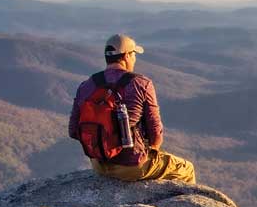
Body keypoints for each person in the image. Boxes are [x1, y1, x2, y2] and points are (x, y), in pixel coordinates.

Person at [68, 34, 196, 183]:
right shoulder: (141, 83)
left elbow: (73, 131)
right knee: (187, 169)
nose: (134, 58)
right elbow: (155, 134)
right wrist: (149, 152)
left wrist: (104, 145)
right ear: (127, 56)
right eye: (134, 54)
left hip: (99, 165)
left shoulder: (86, 85)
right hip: (132, 166)